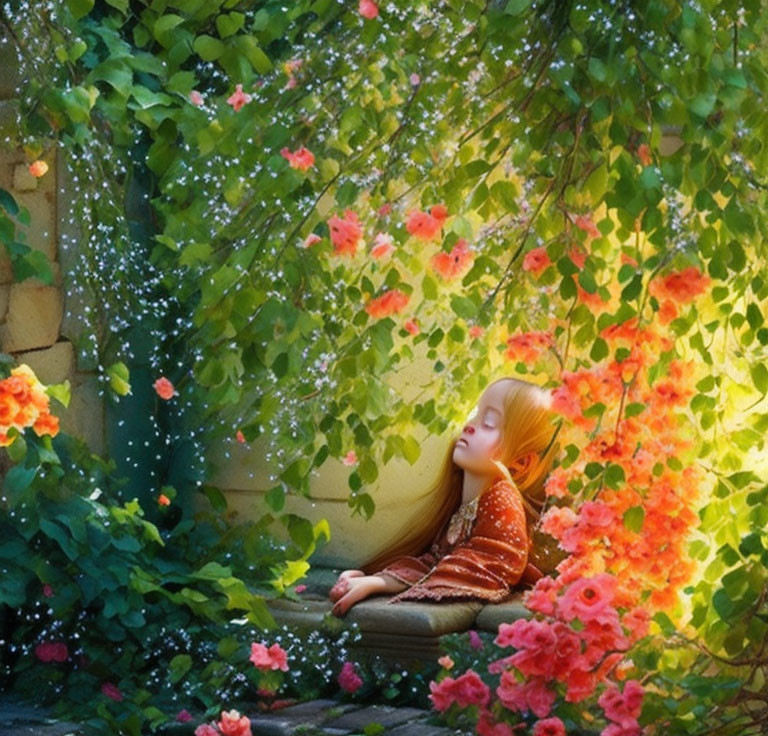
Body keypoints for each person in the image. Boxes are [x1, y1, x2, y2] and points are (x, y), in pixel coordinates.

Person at [329, 376, 562, 617]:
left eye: (489, 422)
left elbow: (493, 561)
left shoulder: (502, 499)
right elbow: (437, 561)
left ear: (520, 463)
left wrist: (377, 584)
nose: (470, 425)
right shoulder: (465, 506)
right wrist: (377, 581)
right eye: (475, 414)